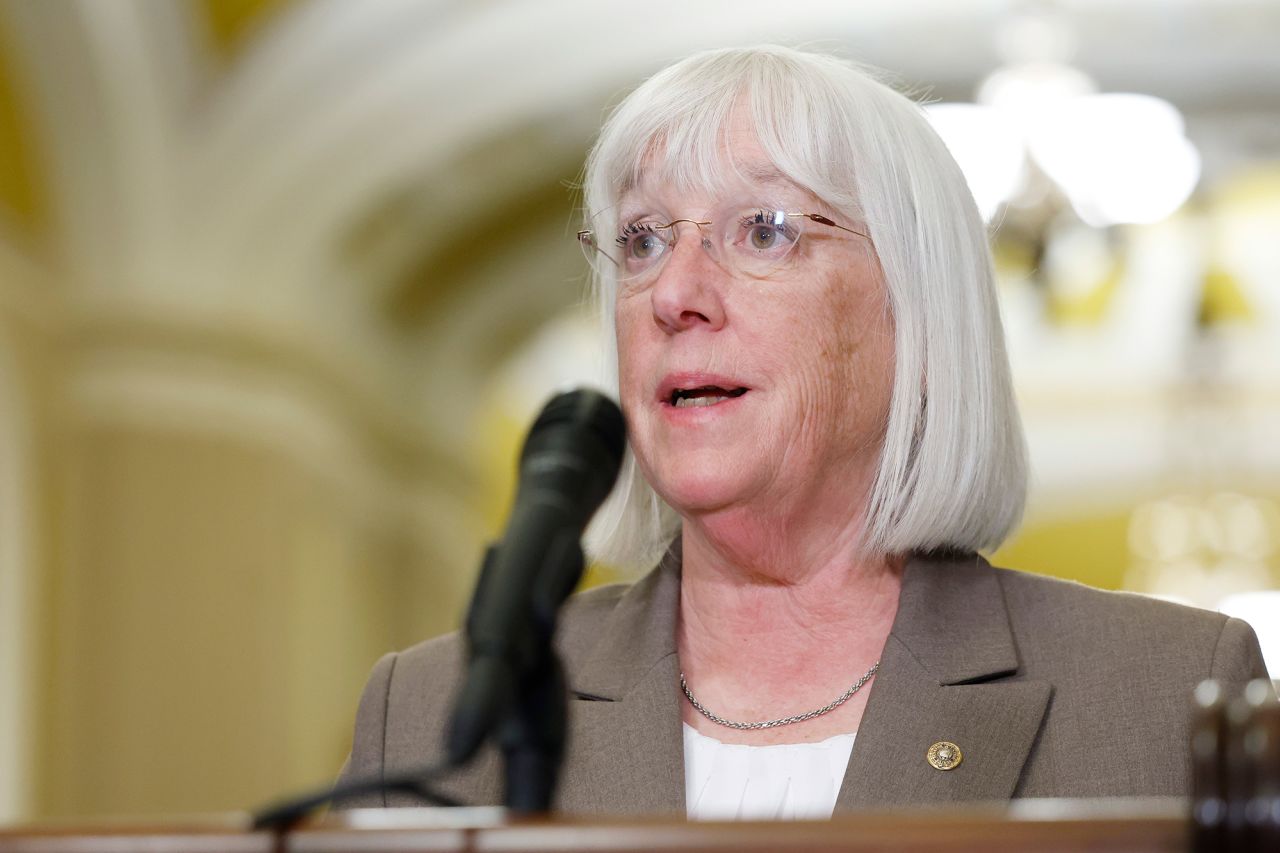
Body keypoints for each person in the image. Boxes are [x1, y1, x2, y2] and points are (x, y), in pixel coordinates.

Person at [337, 45, 1269, 819]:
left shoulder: (1172, 695)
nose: (673, 294)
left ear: (919, 315)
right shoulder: (428, 717)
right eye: (644, 238)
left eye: (767, 230)